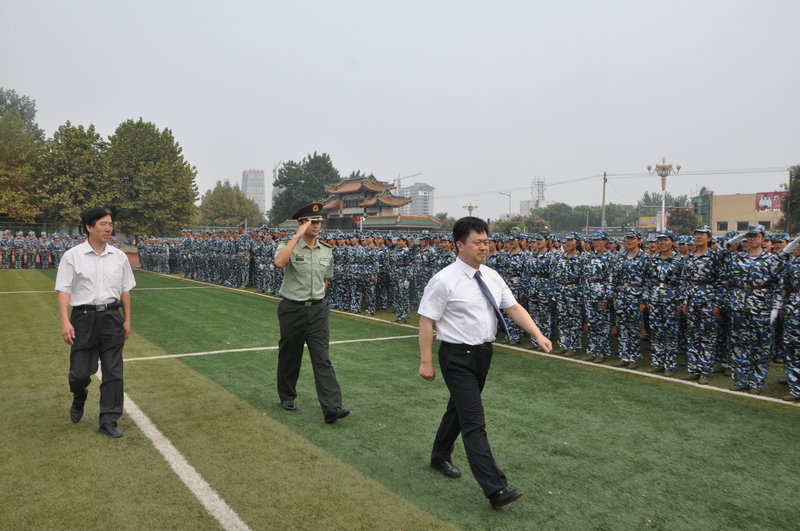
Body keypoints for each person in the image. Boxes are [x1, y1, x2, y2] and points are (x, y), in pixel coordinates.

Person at [417, 217, 552, 510]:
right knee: (474, 422)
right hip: (456, 356)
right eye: (477, 242)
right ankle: (495, 488)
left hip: (483, 355)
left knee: (459, 409)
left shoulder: (491, 276)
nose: (484, 247)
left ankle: (439, 456)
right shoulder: (444, 280)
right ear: (459, 245)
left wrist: (538, 334)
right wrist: (426, 361)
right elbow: (427, 320)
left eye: (486, 241)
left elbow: (513, 307)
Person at [55, 206, 136, 438]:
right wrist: (65, 322)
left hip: (111, 317)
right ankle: (79, 395)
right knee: (79, 373)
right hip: (83, 318)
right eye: (103, 224)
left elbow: (125, 291)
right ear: (89, 227)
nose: (108, 228)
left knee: (114, 371)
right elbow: (64, 291)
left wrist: (127, 320)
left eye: (110, 224)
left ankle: (109, 420)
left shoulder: (119, 257)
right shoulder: (72, 256)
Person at [273, 202, 349, 424]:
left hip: (317, 311)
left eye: (319, 222)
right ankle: (287, 396)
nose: (316, 225)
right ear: (301, 223)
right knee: (290, 356)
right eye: (312, 222)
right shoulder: (288, 245)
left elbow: (325, 279)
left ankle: (332, 407)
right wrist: (297, 236)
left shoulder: (326, 250)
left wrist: (317, 298)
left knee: (322, 359)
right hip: (292, 309)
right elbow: (279, 263)